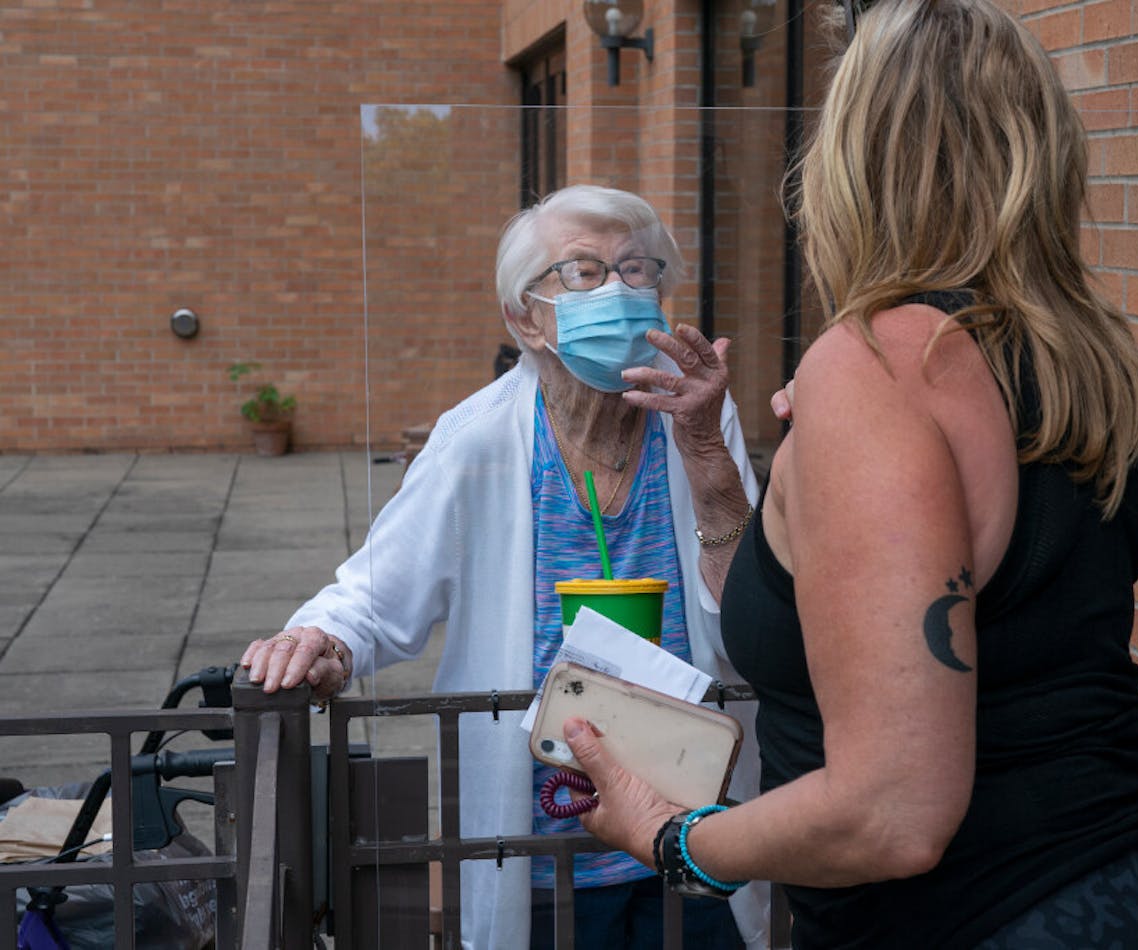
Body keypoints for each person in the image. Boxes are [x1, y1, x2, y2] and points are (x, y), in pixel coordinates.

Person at [559, 1, 1138, 947]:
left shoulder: (880, 364)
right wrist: (732, 465)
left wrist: (675, 840)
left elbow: (893, 812)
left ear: (859, 160)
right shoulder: (1080, 358)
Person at [239, 184, 768, 950]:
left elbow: (749, 616)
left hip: (695, 833)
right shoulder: (478, 442)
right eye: (584, 272)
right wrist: (326, 639)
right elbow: (375, 593)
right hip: (546, 849)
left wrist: (714, 467)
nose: (619, 290)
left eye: (636, 269)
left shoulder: (697, 423)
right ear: (526, 318)